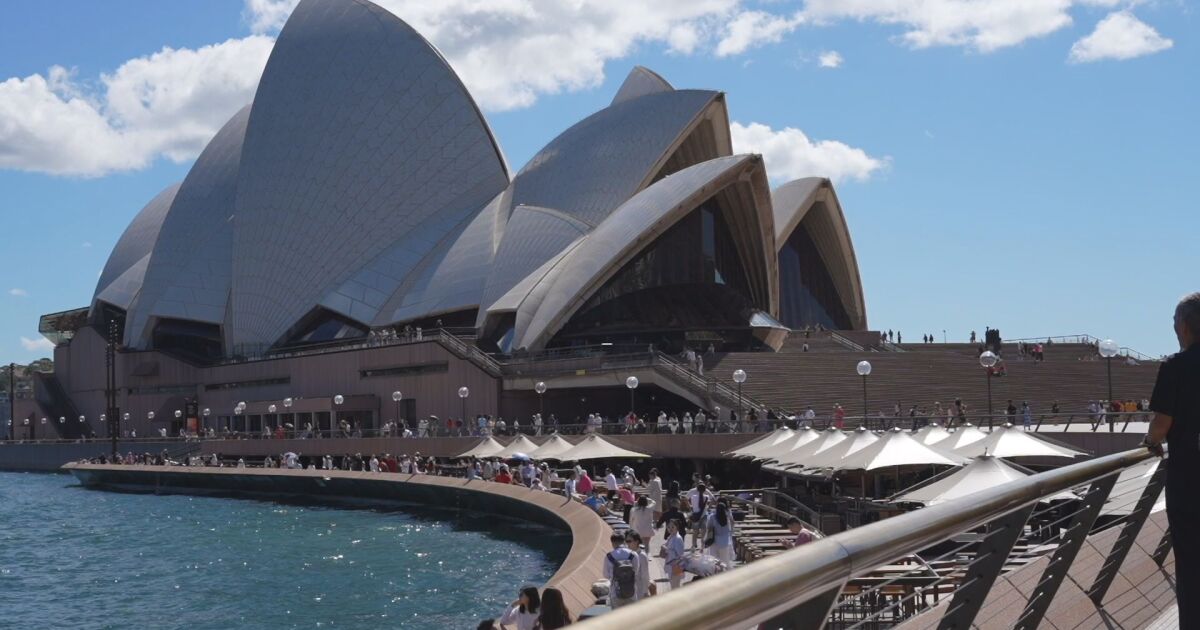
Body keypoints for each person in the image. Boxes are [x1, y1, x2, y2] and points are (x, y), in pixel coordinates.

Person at [1144, 292, 1200, 629]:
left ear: (1185, 326)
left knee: (1192, 569)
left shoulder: (1176, 366)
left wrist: (1150, 442)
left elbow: (1161, 425)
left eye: (1175, 322)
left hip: (1190, 484)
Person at [604, 532, 639, 609]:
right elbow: (636, 571)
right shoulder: (633, 554)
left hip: (615, 593)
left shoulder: (609, 556)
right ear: (624, 541)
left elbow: (606, 575)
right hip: (631, 592)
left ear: (612, 543)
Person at [626, 531, 653, 600]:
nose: (627, 544)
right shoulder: (629, 554)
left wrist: (645, 592)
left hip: (639, 591)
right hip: (630, 590)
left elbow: (645, 575)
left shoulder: (642, 556)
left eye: (629, 541)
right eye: (626, 541)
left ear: (636, 541)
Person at [706, 501, 735, 565]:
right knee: (725, 561)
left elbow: (708, 527)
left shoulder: (712, 517)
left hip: (714, 541)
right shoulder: (727, 517)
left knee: (714, 561)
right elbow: (731, 526)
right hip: (725, 542)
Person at [662, 519, 687, 590]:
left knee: (675, 587)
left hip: (676, 566)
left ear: (677, 527)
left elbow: (680, 554)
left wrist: (666, 549)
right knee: (674, 587)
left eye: (672, 527)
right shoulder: (671, 537)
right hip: (672, 565)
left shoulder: (678, 538)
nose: (670, 529)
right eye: (668, 527)